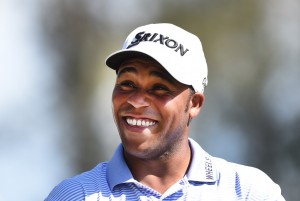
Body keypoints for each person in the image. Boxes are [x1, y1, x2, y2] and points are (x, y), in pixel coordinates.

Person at [45, 23, 285, 201]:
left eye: (159, 88)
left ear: (194, 104)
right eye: (127, 83)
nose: (137, 101)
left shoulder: (247, 191)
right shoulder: (74, 195)